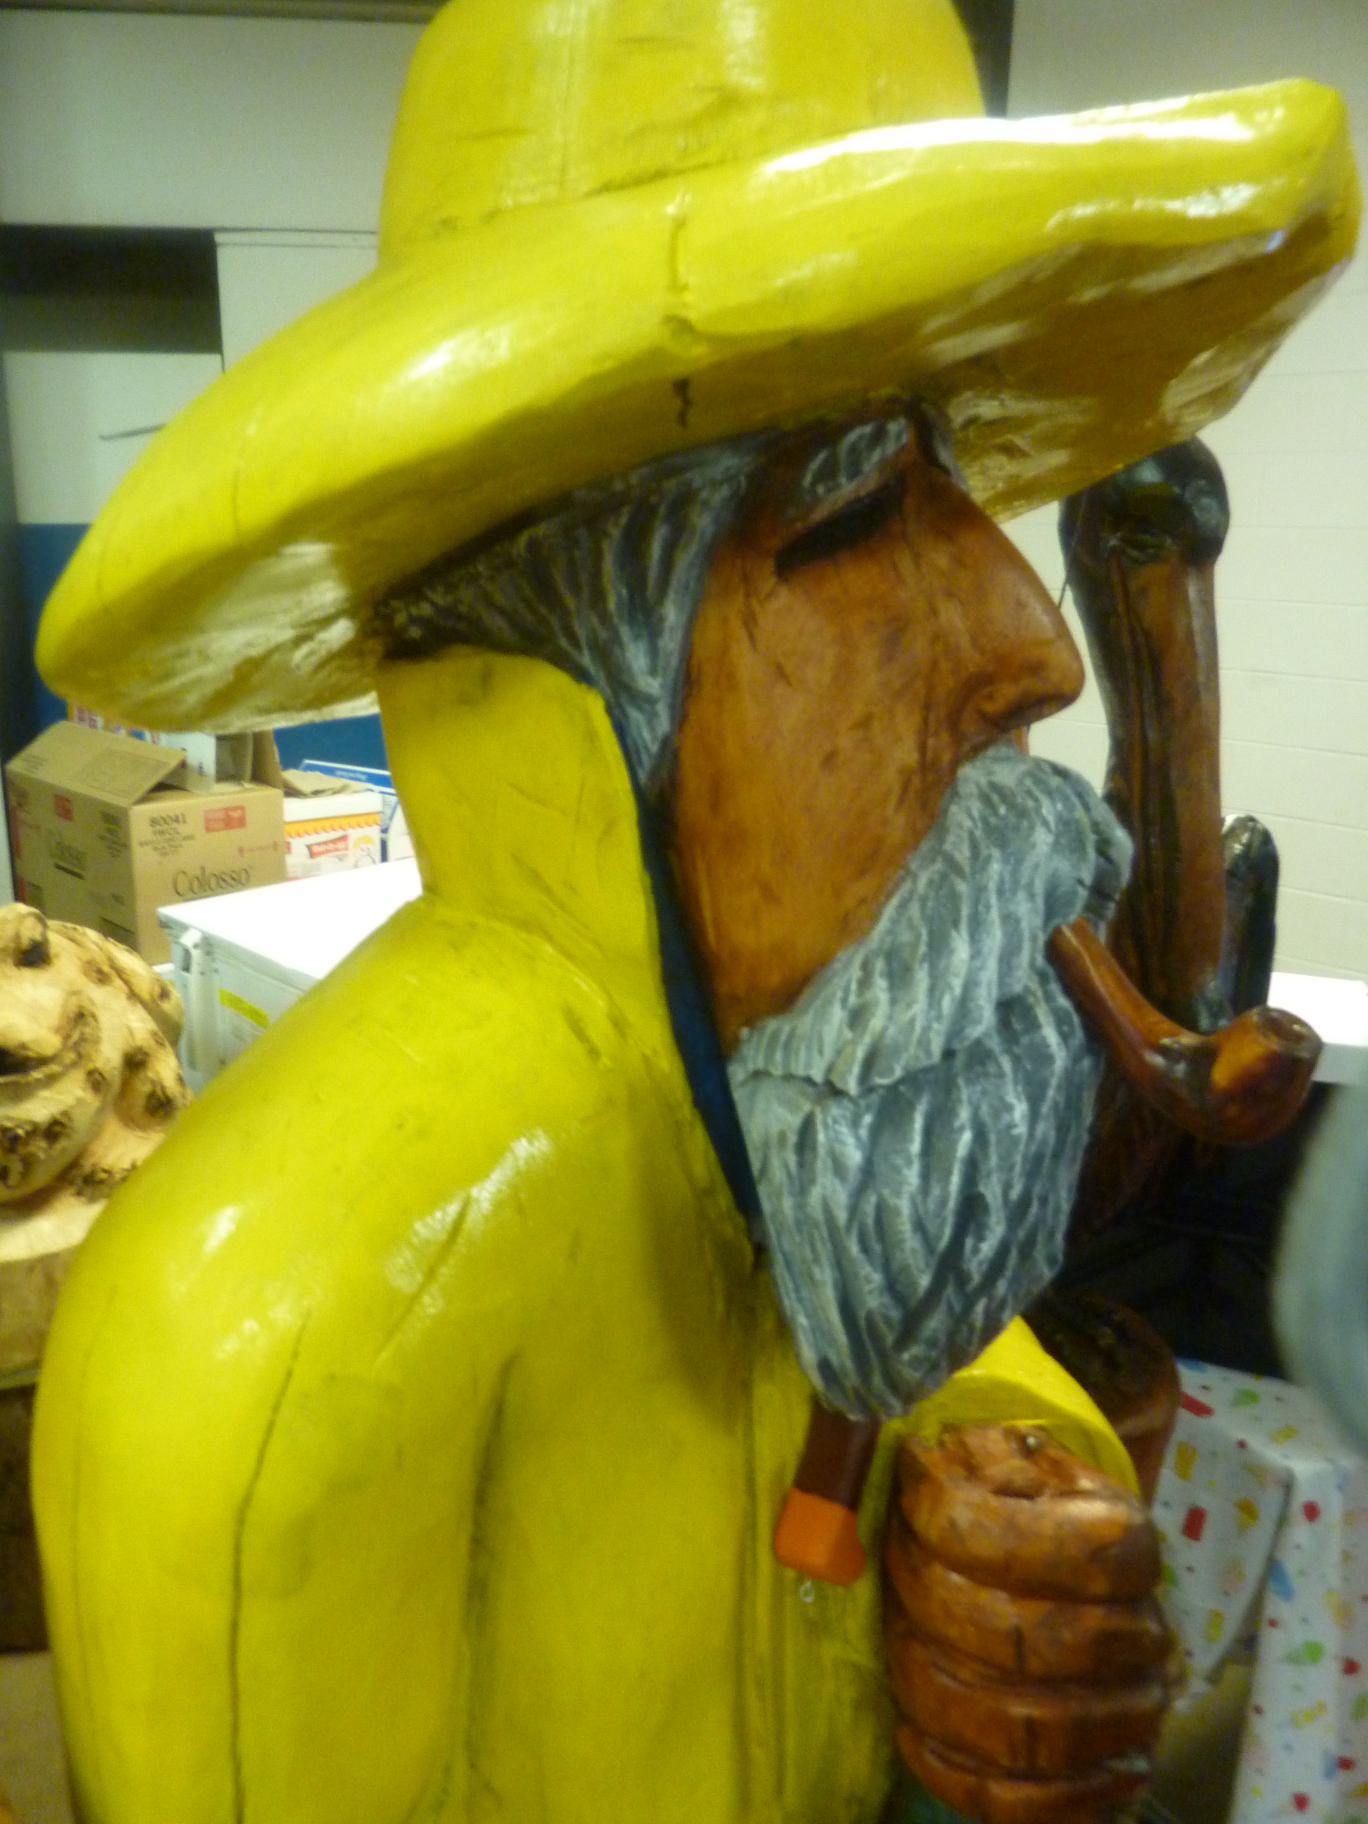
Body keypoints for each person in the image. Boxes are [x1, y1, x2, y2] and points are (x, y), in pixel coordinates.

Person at [29, 3, 1358, 1821]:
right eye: (862, 520)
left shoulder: (796, 1050)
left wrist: (1009, 1484)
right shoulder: (281, 1325)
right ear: (594, 676)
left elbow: (899, 1306)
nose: (1037, 645)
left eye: (962, 494)